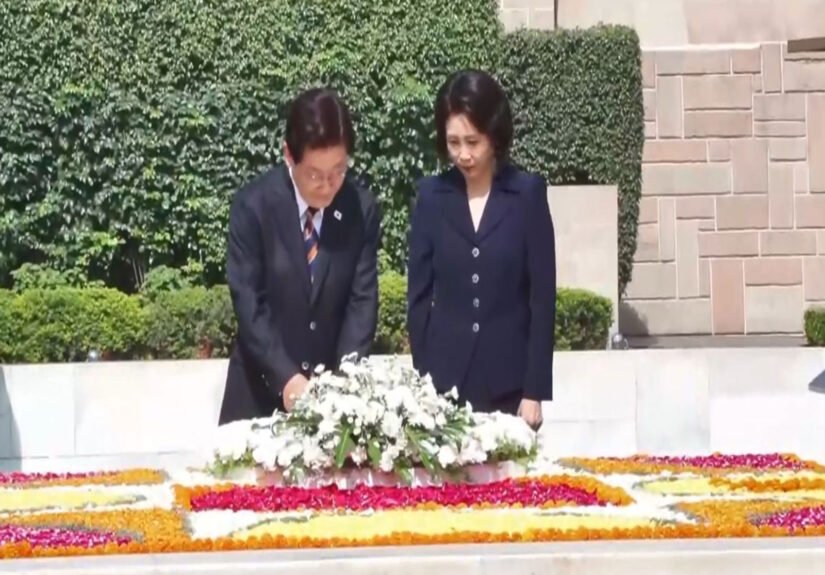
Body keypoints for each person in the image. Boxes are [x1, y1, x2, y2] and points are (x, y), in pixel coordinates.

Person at [219, 87, 380, 425]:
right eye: (315, 174)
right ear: (288, 155)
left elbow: (361, 302)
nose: (328, 185)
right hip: (258, 394)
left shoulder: (359, 208)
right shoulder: (254, 206)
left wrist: (343, 384)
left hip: (332, 400)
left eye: (339, 170)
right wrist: (287, 378)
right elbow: (250, 304)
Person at [406, 70, 556, 430]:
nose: (463, 155)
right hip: (444, 384)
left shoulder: (527, 195)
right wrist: (423, 380)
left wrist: (534, 391)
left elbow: (542, 298)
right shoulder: (431, 197)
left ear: (493, 135)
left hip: (510, 385)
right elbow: (418, 297)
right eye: (454, 142)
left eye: (473, 142)